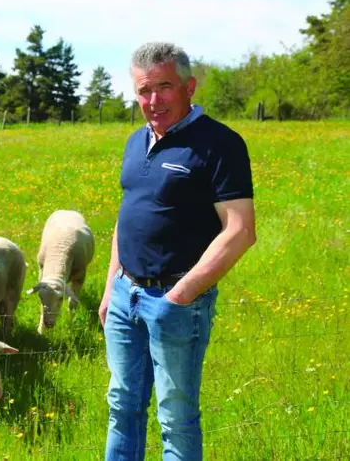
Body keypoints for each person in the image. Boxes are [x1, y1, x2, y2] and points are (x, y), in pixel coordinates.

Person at [98, 42, 256, 461]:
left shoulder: (220, 143)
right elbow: (127, 214)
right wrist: (110, 286)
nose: (153, 100)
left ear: (189, 85)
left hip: (175, 302)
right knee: (122, 407)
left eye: (164, 88)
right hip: (123, 296)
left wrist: (180, 296)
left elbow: (240, 230)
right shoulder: (135, 141)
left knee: (175, 417)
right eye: (144, 91)